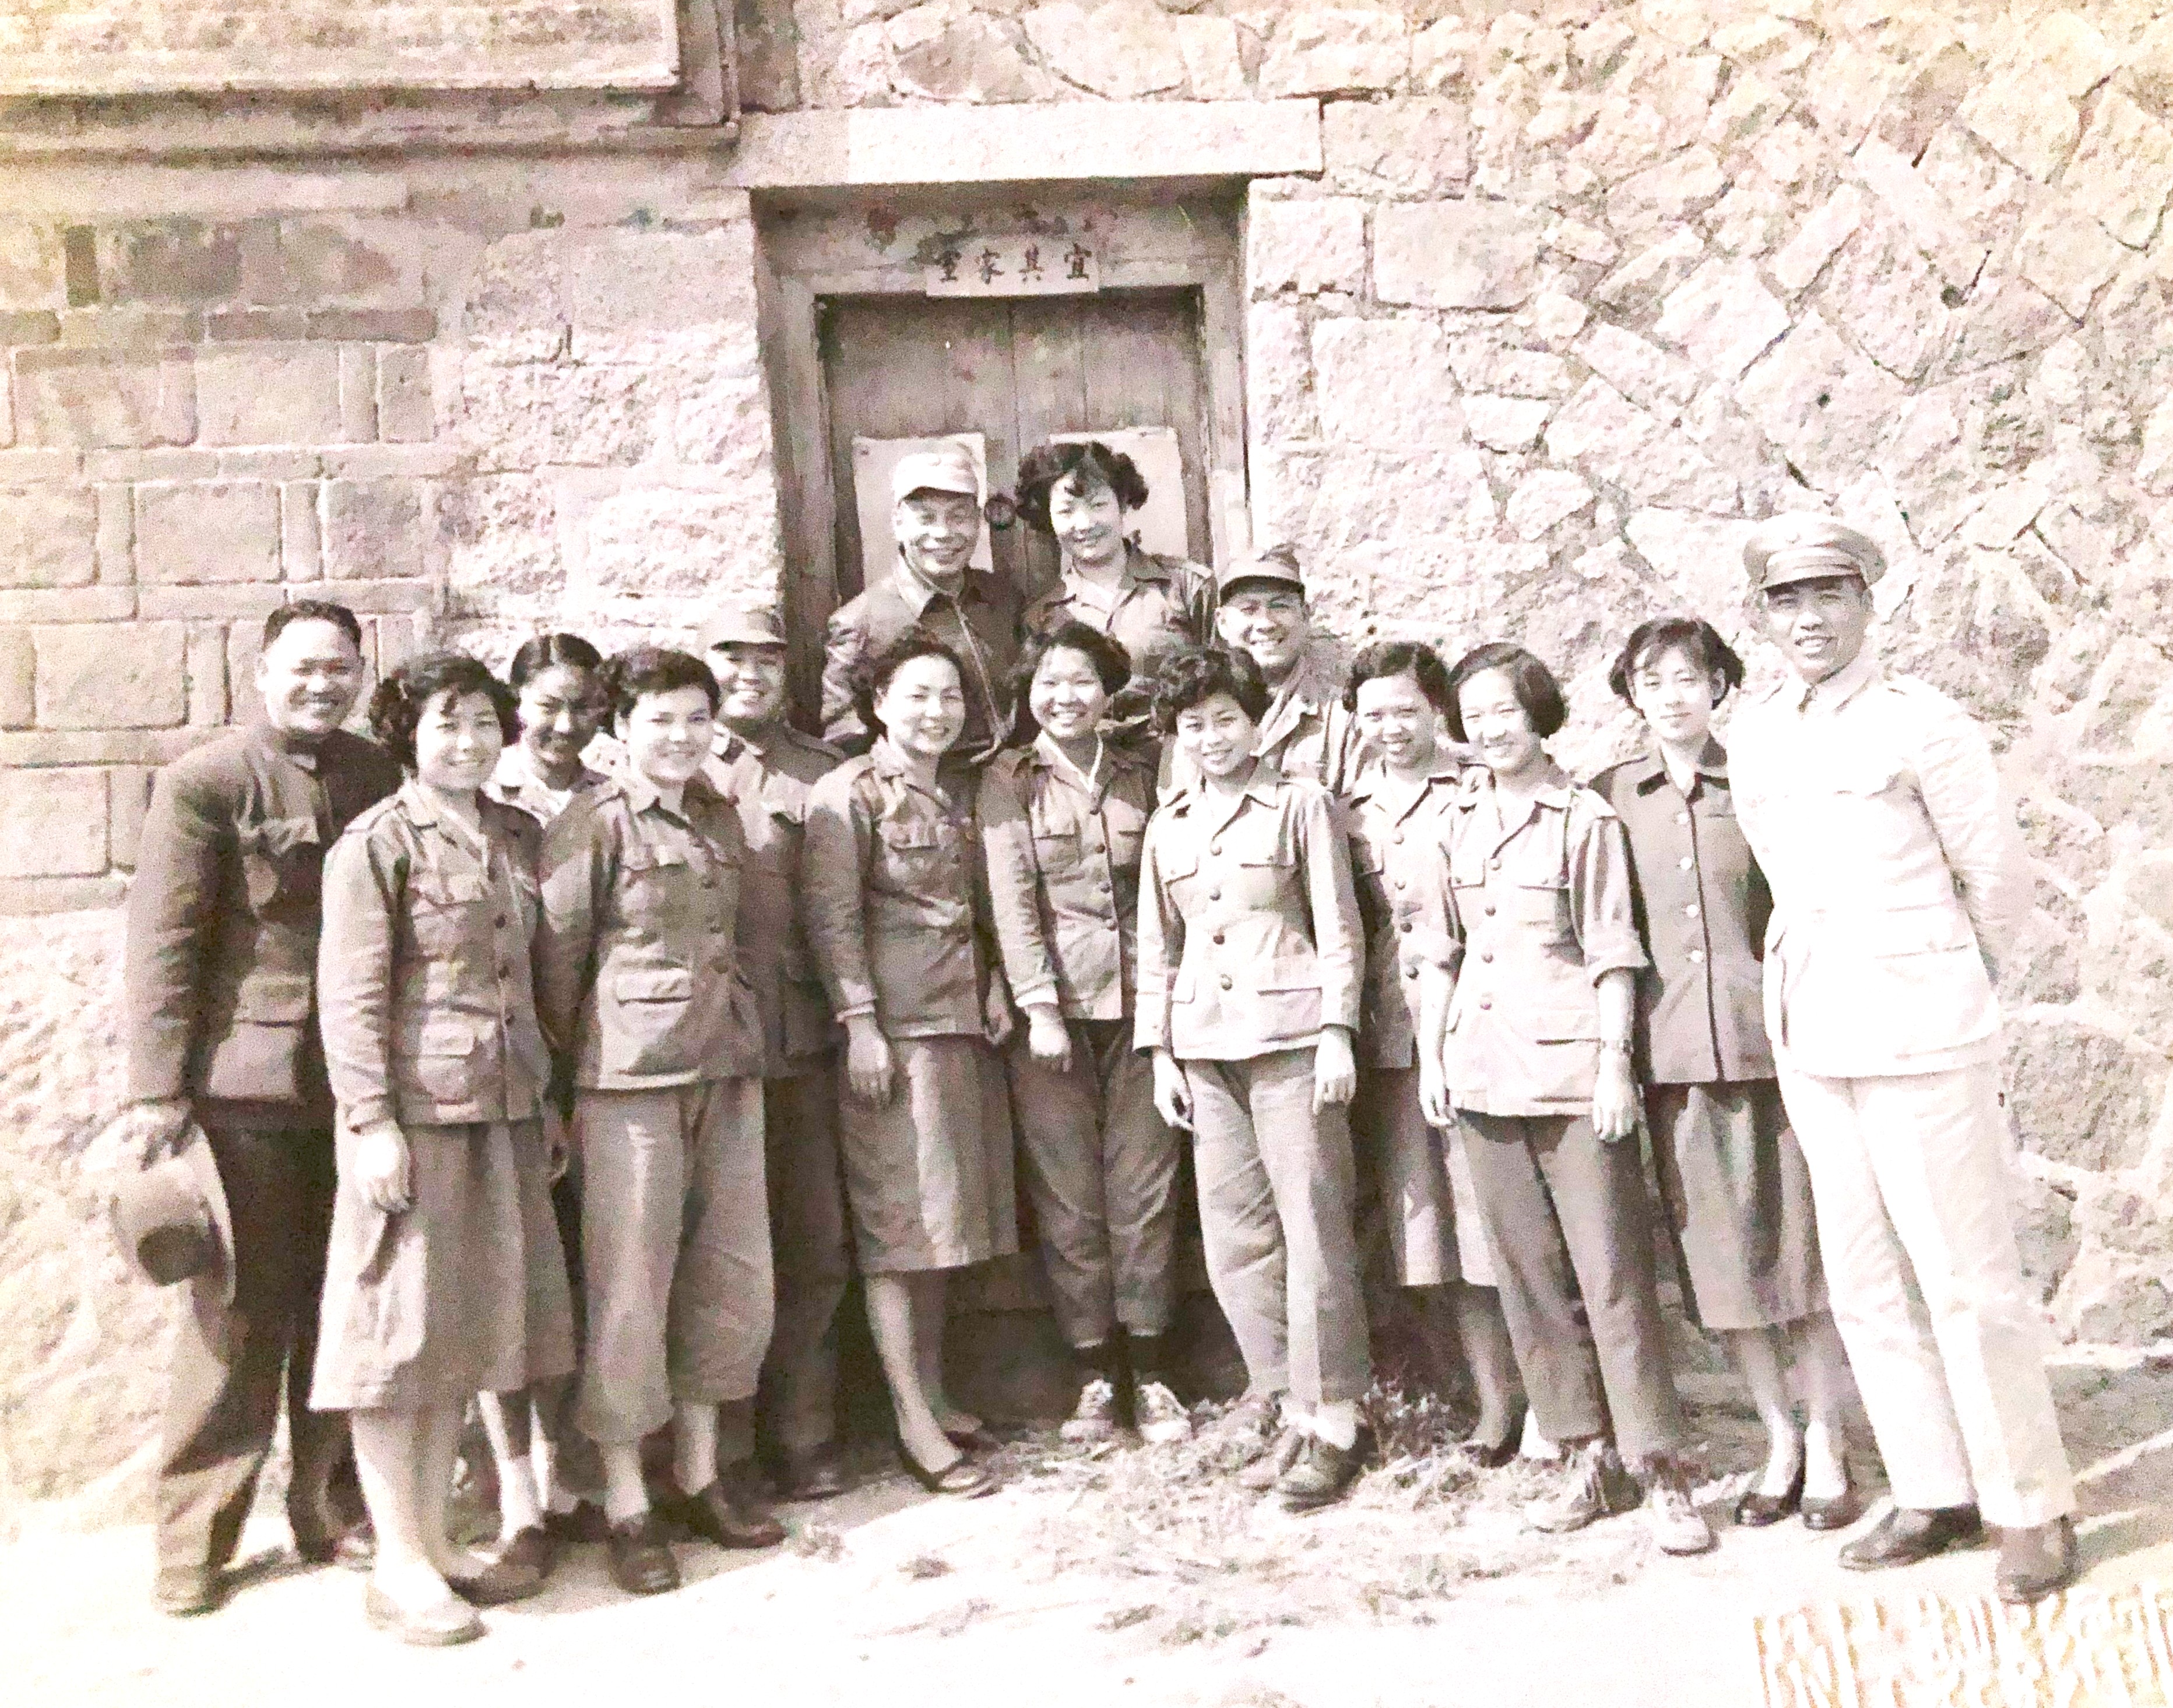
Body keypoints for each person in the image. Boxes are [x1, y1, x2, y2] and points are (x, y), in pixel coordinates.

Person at [1727, 515, 2079, 1604]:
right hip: (1815, 1028)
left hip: (1921, 1027)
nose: (1808, 619)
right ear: (1765, 617)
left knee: (1967, 1282)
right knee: (1864, 1279)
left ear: (1866, 603)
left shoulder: (1920, 723)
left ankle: (2029, 1502)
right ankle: (1932, 1486)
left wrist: (1940, 977)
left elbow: (1997, 884)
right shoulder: (1757, 730)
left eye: (1827, 595)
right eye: (1786, 601)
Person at [122, 599, 399, 1617]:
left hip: (359, 1088)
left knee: (349, 1305)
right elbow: (165, 941)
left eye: (339, 668)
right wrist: (158, 1088)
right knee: (236, 1319)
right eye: (302, 669)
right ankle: (194, 1541)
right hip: (247, 1092)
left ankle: (330, 1509)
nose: (321, 685)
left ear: (362, 673)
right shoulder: (207, 782)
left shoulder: (376, 773)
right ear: (261, 673)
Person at [1415, 643, 1713, 1555]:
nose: (1489, 728)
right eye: (1472, 713)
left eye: (1505, 709)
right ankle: (1586, 1453)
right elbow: (1438, 951)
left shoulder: (1582, 818)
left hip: (1574, 1075)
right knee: (1530, 1280)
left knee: (1614, 1275)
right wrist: (1433, 1056)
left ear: (1537, 713)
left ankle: (1659, 1462)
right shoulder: (1453, 822)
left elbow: (1613, 952)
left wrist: (1616, 1065)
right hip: (1481, 1073)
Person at [313, 653, 576, 1646]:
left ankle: (436, 1538)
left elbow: (523, 981)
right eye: (444, 725)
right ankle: (398, 1561)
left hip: (503, 1108)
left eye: (480, 724)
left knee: (462, 1329)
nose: (466, 742)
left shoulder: (513, 833)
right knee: (398, 1338)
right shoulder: (376, 844)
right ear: (407, 737)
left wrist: (544, 1102)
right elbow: (352, 997)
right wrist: (369, 1123)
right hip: (418, 1115)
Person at [1591, 617, 1859, 1533]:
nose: (1673, 694)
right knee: (1723, 1264)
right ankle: (1777, 1436)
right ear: (1631, 693)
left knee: (1804, 1253)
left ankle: (1829, 1437)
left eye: (1690, 677)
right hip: (1672, 1062)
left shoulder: (1761, 782)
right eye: (1652, 678)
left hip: (1775, 1046)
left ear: (1719, 686)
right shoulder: (1609, 798)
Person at [533, 647, 782, 1600]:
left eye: (694, 717)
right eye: (658, 720)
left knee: (728, 1276)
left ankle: (701, 1473)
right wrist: (577, 1080)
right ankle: (628, 1498)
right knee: (630, 1288)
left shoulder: (720, 810)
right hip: (628, 1084)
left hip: (726, 1067)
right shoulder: (590, 824)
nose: (680, 735)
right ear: (619, 730)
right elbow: (557, 966)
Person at [1135, 646, 1370, 1512]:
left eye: (1225, 717)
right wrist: (1160, 1050)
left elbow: (1338, 925)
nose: (1211, 737)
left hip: (1294, 1038)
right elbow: (1157, 946)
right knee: (1236, 1238)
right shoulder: (1171, 822)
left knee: (1313, 1225)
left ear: (1255, 718)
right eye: (1192, 725)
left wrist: (1338, 1030)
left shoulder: (1301, 804)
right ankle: (1282, 1402)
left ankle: (1337, 1415)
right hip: (1205, 1047)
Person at [804, 631, 1018, 1500]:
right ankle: (910, 1420)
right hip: (892, 1034)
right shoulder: (847, 792)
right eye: (918, 695)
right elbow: (833, 917)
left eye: (950, 698)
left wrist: (998, 977)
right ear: (879, 703)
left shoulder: (956, 791)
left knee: (941, 1221)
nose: (936, 712)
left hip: (955, 1021)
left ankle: (932, 1390)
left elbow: (968, 906)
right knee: (899, 1226)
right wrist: (859, 1024)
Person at [980, 621, 1189, 1446]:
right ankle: (1095, 1373)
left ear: (1109, 694)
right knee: (1070, 1201)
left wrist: (1167, 1008)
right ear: (1027, 693)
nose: (1064, 697)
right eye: (1048, 683)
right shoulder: (1007, 779)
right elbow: (1011, 897)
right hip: (1054, 1021)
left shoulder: (1144, 768)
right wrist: (1037, 1004)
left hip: (1144, 1010)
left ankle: (1154, 1367)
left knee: (1145, 1194)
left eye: (1081, 682)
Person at [1340, 642, 1523, 1465]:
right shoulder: (1346, 809)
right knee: (1427, 1233)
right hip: (1393, 1040)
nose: (1391, 728)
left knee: (1495, 1220)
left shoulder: (1476, 788)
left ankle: (1530, 1400)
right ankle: (1473, 1391)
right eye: (1373, 714)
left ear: (1435, 710)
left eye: (1406, 711)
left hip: (1482, 1030)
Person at [699, 604, 853, 1502]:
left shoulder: (817, 771)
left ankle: (806, 1428)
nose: (750, 672)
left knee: (814, 1243)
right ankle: (722, 1447)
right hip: (708, 1045)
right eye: (733, 656)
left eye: (767, 658)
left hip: (799, 1042)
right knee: (719, 1251)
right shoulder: (660, 755)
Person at [474, 632, 613, 1566]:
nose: (565, 725)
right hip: (510, 1071)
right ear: (518, 703)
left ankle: (573, 1476)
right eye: (547, 704)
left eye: (582, 705)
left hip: (605, 1069)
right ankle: (513, 1492)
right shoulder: (489, 806)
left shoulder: (616, 797)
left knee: (589, 1277)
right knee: (511, 1280)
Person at [821, 441, 1016, 763]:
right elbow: (844, 738)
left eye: (958, 517)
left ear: (978, 521)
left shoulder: (1003, 598)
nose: (942, 533)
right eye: (926, 518)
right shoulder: (860, 622)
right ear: (898, 523)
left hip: (1014, 785)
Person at [1015, 439, 1215, 733]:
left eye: (1098, 505)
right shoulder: (1041, 616)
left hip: (1177, 762)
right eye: (1067, 511)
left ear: (1122, 504)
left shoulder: (1186, 586)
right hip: (1091, 767)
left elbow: (1228, 682)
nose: (1084, 524)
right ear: (1049, 518)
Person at [1210, 544, 1365, 795]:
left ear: (1305, 615)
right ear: (1222, 623)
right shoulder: (1196, 720)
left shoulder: (1343, 720)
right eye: (1249, 609)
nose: (1265, 623)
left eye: (1280, 606)